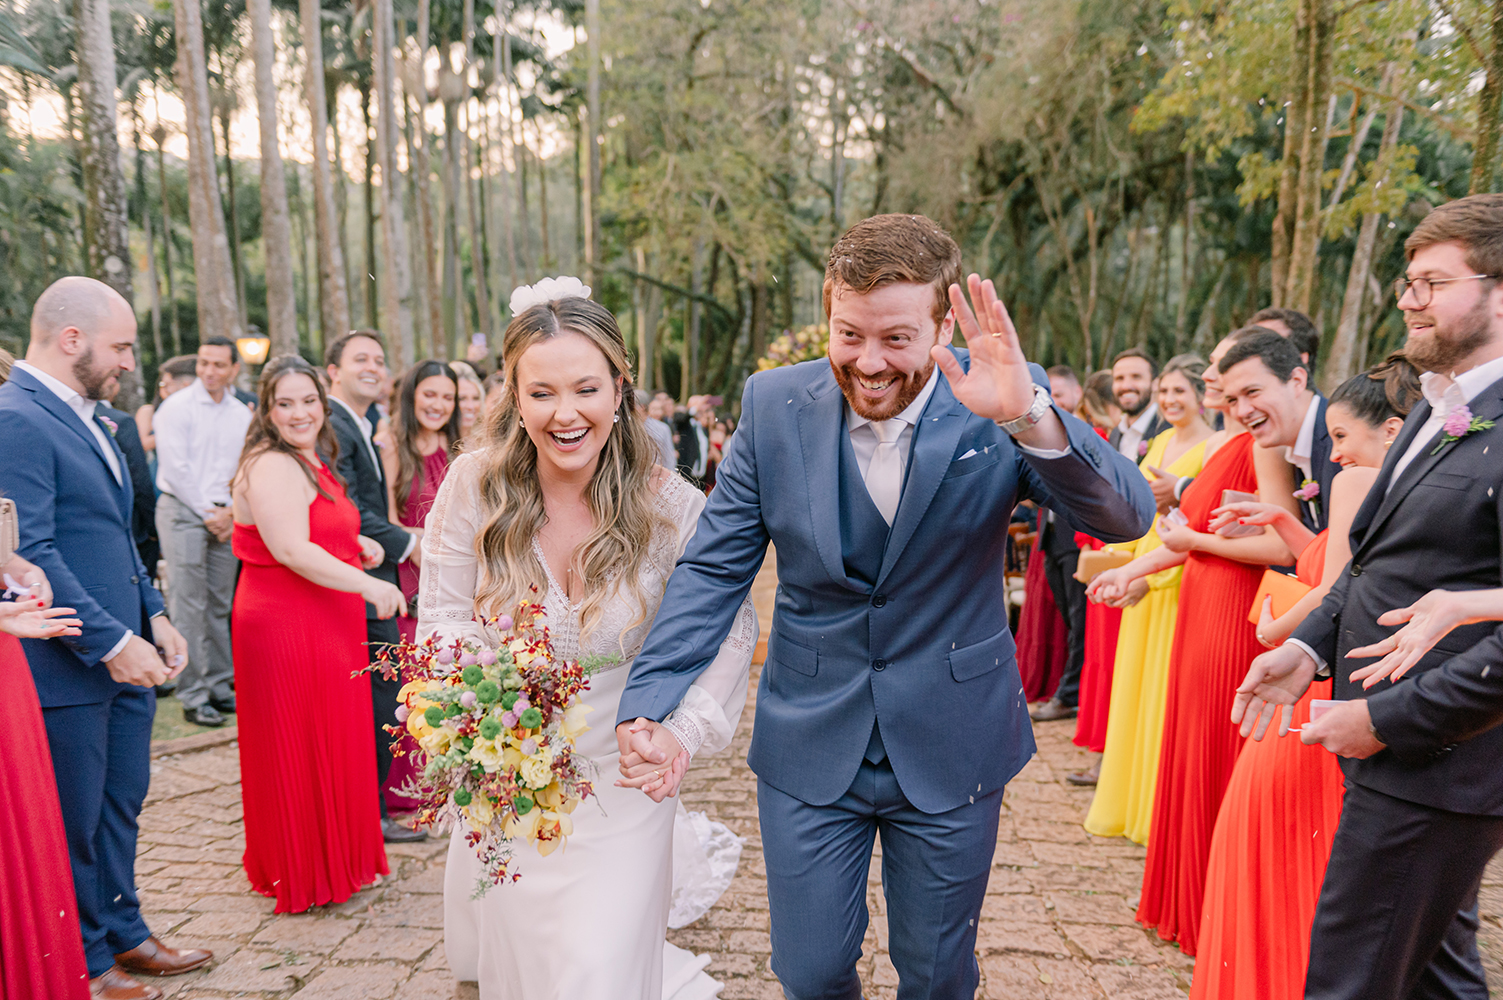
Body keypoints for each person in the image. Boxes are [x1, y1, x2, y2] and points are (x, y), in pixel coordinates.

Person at [613, 214, 1154, 998]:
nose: (869, 364)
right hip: (809, 734)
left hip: (954, 737)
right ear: (827, 313)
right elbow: (712, 571)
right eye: (848, 335)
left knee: (936, 974)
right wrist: (650, 705)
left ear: (941, 326)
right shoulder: (772, 404)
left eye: (897, 340)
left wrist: (1025, 412)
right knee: (809, 970)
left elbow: (1124, 516)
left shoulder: (997, 397)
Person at [419, 285, 755, 997]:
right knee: (528, 963)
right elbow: (442, 616)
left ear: (618, 387)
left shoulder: (671, 507)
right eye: (540, 392)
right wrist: (474, 713)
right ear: (513, 394)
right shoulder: (473, 487)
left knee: (597, 969)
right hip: (509, 773)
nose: (564, 413)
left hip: (625, 771)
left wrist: (683, 734)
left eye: (585, 388)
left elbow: (728, 628)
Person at [1236, 193, 1503, 1000]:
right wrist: (1307, 646)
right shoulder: (1436, 404)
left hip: (1441, 761)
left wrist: (1383, 720)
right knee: (1435, 976)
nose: (1408, 299)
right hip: (1397, 753)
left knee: (1348, 979)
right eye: (1405, 282)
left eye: (1430, 282)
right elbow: (1368, 566)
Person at [0, 276, 205, 1000]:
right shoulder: (16, 417)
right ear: (71, 339)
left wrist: (153, 612)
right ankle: (84, 957)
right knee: (75, 818)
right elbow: (34, 553)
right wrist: (115, 642)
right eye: (120, 346)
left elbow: (116, 535)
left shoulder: (97, 419)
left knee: (122, 803)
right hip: (66, 662)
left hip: (122, 647)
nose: (128, 362)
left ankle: (126, 932)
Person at [1191, 356, 1420, 1000]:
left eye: (1343, 438)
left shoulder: (1354, 485)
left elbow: (1334, 590)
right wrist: (1289, 525)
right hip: (1351, 686)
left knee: (1267, 850)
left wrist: (1279, 631)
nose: (1335, 452)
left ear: (1393, 430)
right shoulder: (1406, 492)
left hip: (1313, 685)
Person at [1110, 331, 1308, 955]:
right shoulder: (1224, 440)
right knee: (1189, 744)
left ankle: (1213, 914)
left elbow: (1282, 545)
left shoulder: (1262, 444)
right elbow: (1186, 533)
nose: (1218, 378)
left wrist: (1195, 545)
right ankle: (1182, 899)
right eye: (1220, 370)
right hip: (1197, 600)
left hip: (1232, 612)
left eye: (1230, 372)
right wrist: (1131, 571)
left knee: (1215, 751)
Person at [229, 354, 402, 913]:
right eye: (286, 403)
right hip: (286, 625)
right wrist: (370, 584)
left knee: (336, 736)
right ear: (267, 409)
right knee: (302, 743)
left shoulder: (312, 458)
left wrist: (360, 547)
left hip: (324, 619)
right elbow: (289, 549)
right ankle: (305, 868)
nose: (300, 413)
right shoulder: (272, 463)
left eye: (309, 401)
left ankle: (343, 860)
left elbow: (320, 531)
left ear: (322, 404)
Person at [1083, 352, 1215, 828]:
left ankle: (1157, 811)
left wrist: (1154, 575)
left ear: (1202, 395)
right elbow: (1142, 515)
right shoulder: (1158, 441)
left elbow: (1200, 521)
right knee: (1133, 692)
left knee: (1165, 696)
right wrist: (1133, 570)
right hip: (1144, 574)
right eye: (1165, 391)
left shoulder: (1213, 447)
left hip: (1181, 582)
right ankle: (1129, 803)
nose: (1170, 399)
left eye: (1180, 390)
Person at [324, 331, 428, 845]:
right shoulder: (334, 423)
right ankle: (371, 812)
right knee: (380, 695)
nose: (372, 366)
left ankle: (372, 809)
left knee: (382, 693)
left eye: (379, 360)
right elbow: (352, 507)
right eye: (359, 358)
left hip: (374, 572)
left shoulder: (363, 423)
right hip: (366, 577)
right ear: (333, 370)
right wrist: (411, 544)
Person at [152, 337, 252, 728]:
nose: (209, 371)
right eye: (204, 363)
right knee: (188, 605)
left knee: (220, 602)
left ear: (233, 369)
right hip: (183, 511)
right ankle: (192, 695)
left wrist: (229, 511)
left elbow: (243, 464)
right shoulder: (175, 408)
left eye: (218, 365)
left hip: (225, 514)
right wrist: (209, 512)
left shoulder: (241, 414)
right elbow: (176, 469)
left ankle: (220, 685)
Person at [380, 359, 460, 812]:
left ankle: (444, 782)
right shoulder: (392, 444)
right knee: (412, 683)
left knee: (446, 676)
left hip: (455, 573)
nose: (438, 404)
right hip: (411, 573)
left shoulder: (456, 448)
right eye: (430, 394)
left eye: (446, 397)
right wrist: (428, 543)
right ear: (411, 395)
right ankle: (405, 794)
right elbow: (389, 522)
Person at [1108, 347, 1170, 460]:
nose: (1126, 386)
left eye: (1136, 377)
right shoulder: (1115, 434)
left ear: (1155, 384)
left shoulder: (1169, 430)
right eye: (1119, 378)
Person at [133, 355, 197, 460]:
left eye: (167, 385)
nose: (163, 389)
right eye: (162, 384)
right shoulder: (149, 411)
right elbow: (142, 444)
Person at [450, 360, 486, 449]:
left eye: (475, 398)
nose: (470, 406)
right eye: (462, 398)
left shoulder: (487, 442)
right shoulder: (437, 444)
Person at [637, 388, 677, 468]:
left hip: (657, 474)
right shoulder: (630, 426)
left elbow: (669, 458)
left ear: (642, 407)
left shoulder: (662, 428)